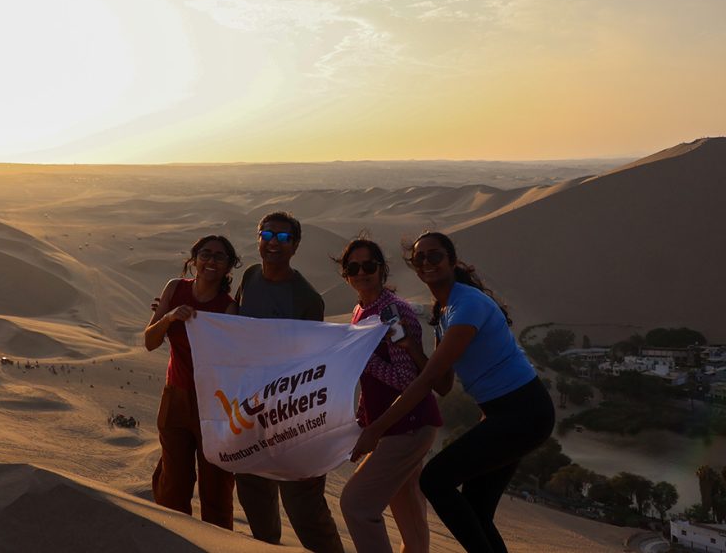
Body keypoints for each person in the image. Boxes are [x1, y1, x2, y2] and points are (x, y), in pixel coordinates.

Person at [351, 232, 555, 553]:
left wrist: (376, 430)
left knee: (435, 480)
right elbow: (443, 386)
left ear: (451, 260)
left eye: (435, 256)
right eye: (420, 258)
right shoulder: (444, 313)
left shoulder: (467, 305)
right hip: (504, 415)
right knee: (476, 509)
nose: (427, 263)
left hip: (523, 412)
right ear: (415, 267)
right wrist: (411, 346)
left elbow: (425, 382)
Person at [234, 211, 344, 553]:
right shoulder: (250, 277)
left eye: (283, 238)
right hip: (249, 407)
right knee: (253, 494)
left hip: (289, 413)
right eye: (267, 235)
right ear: (258, 239)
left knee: (304, 506)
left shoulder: (307, 298)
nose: (273, 244)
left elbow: (312, 364)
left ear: (295, 246)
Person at [335, 238, 445, 553]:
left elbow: (408, 380)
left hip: (407, 426)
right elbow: (372, 381)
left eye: (368, 265)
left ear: (382, 270)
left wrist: (361, 355)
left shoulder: (394, 312)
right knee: (411, 521)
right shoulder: (362, 310)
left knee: (356, 505)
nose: (361, 272)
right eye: (353, 267)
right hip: (395, 426)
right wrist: (360, 415)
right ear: (346, 275)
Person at [144, 234, 241, 529]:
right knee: (173, 484)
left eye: (219, 256)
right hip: (175, 398)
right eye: (205, 254)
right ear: (194, 259)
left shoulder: (228, 308)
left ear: (228, 267)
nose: (211, 261)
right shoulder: (175, 289)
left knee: (216, 489)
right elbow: (150, 341)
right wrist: (169, 317)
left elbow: (231, 362)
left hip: (213, 406)